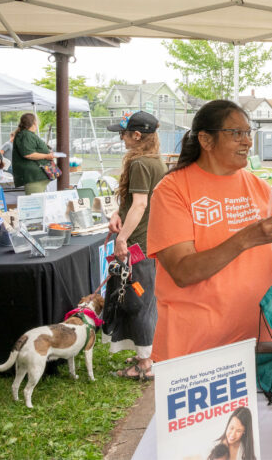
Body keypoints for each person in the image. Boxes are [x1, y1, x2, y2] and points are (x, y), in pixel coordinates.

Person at [147, 100, 272, 362]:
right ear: (205, 139)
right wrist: (247, 238)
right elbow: (183, 271)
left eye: (249, 133)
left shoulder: (261, 189)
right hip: (195, 348)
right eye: (236, 133)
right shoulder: (172, 190)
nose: (247, 142)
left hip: (260, 340)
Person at [102, 111, 166, 381]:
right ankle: (145, 354)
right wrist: (118, 213)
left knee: (137, 301)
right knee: (144, 300)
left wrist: (122, 239)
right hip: (148, 241)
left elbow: (140, 205)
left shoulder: (140, 163)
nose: (121, 137)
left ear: (137, 135)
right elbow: (134, 203)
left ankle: (145, 363)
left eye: (123, 133)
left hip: (139, 244)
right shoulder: (153, 161)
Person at [12, 113, 54, 194]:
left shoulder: (28, 134)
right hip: (34, 178)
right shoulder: (25, 135)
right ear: (34, 122)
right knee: (35, 204)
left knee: (40, 203)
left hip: (39, 176)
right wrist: (47, 156)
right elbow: (28, 154)